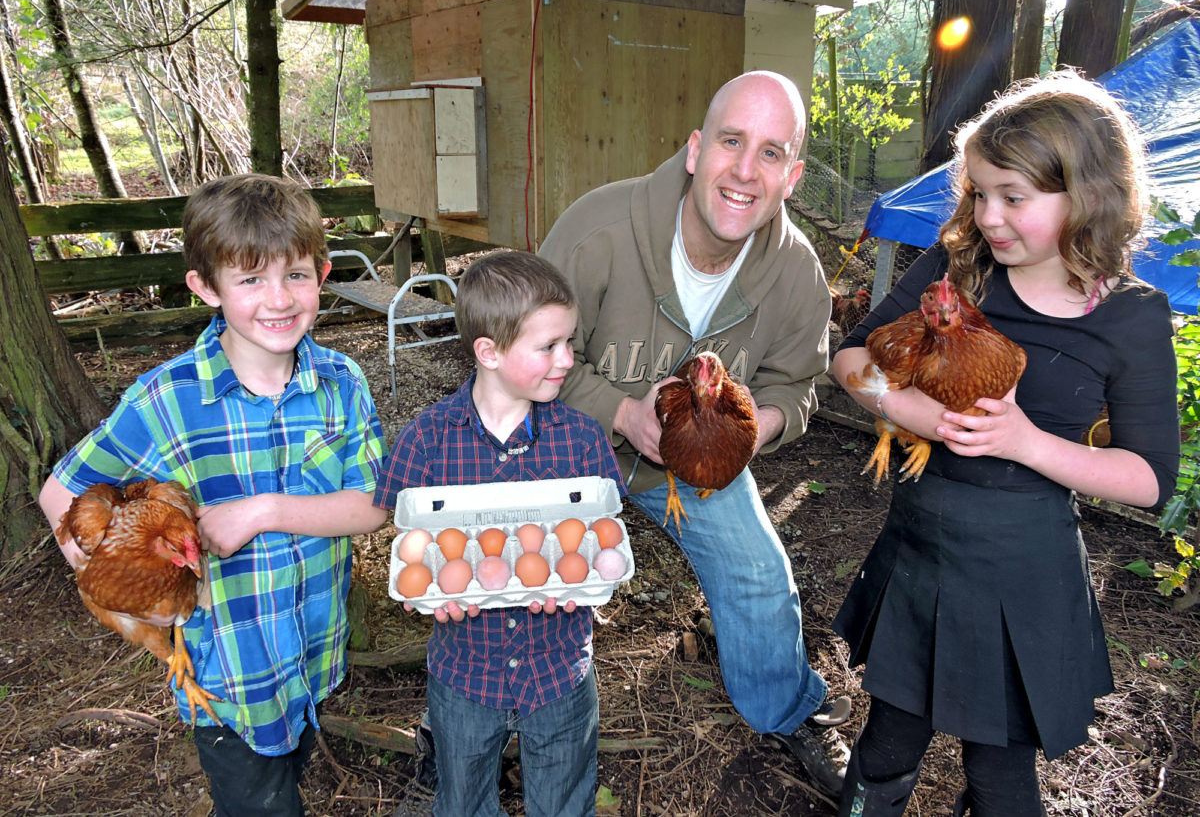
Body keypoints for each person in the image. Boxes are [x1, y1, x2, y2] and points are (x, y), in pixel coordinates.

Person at [830, 72, 1180, 816]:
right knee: (889, 739)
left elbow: (1149, 479)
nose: (988, 216)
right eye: (979, 193)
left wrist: (1024, 442)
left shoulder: (1132, 319)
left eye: (1013, 197)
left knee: (1001, 774)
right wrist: (913, 412)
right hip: (921, 549)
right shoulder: (957, 273)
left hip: (1026, 571)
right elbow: (851, 357)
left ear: (1087, 193)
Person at [539, 70, 852, 794]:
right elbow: (525, 352)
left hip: (693, 466)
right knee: (521, 576)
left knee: (760, 576)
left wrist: (749, 431)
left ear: (793, 176)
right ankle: (472, 715)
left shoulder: (798, 274)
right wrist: (621, 413)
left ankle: (788, 709)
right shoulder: (598, 232)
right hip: (568, 445)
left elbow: (798, 384)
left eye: (771, 153)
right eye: (731, 141)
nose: (745, 170)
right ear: (693, 149)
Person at [39, 174, 388, 817]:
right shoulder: (166, 399)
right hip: (228, 676)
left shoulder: (343, 384)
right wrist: (122, 588)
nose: (278, 299)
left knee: (293, 763)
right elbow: (60, 491)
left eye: (297, 275)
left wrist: (262, 512)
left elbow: (373, 504)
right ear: (205, 287)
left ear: (324, 274)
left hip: (314, 651)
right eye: (250, 280)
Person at [374, 251, 626, 817]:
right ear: (487, 351)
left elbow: (604, 536)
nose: (566, 359)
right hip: (466, 672)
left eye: (569, 341)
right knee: (462, 802)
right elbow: (412, 541)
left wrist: (580, 574)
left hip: (559, 668)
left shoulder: (582, 441)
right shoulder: (429, 440)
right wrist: (434, 590)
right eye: (548, 347)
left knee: (564, 802)